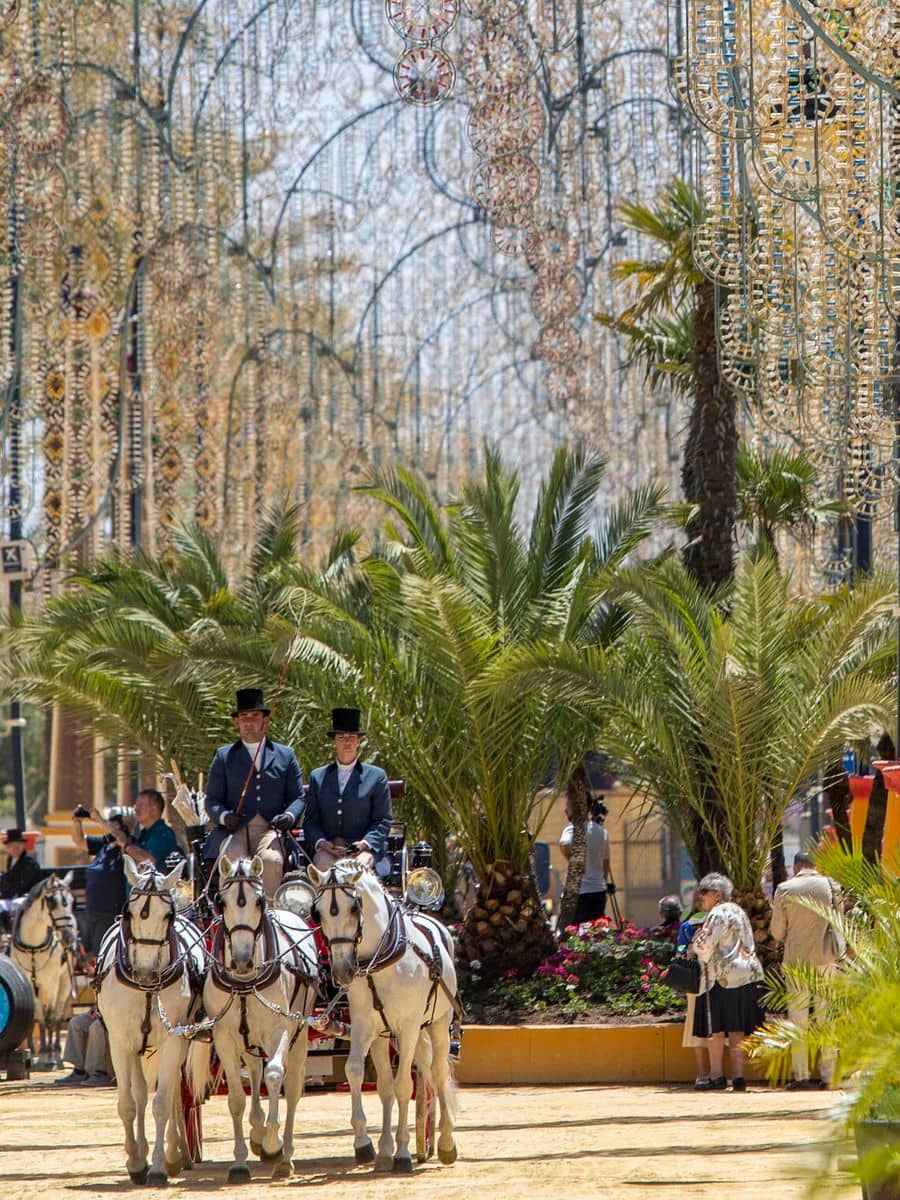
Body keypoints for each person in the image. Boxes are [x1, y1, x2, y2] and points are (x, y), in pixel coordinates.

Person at [206, 687, 305, 897]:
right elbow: (212, 800)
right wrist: (224, 817)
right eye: (244, 717)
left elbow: (298, 798)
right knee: (231, 857)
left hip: (269, 830)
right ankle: (229, 915)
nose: (249, 722)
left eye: (255, 716)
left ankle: (269, 913)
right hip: (236, 829)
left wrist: (289, 816)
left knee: (271, 860)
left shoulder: (285, 756)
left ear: (265, 721)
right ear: (237, 722)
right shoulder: (224, 757)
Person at [770, 851, 843, 1089]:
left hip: (797, 963)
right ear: (815, 866)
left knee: (798, 1019)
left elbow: (777, 932)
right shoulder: (832, 886)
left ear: (796, 867)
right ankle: (829, 1076)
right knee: (826, 1019)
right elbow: (841, 923)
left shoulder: (785, 889)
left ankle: (800, 1076)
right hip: (826, 959)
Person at [690, 872, 764, 1092]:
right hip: (747, 975)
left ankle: (716, 1075)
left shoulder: (717, 913)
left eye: (704, 892)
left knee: (716, 1030)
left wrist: (695, 944)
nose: (700, 897)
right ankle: (739, 1076)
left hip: (721, 978)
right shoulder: (738, 911)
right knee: (737, 1028)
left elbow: (704, 947)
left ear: (717, 893)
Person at [304, 707, 392, 872]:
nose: (347, 742)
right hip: (328, 850)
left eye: (352, 737)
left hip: (362, 850)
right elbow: (310, 822)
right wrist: (322, 843)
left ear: (359, 741)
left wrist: (364, 844)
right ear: (333, 741)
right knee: (323, 866)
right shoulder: (318, 777)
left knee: (357, 869)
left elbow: (383, 820)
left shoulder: (376, 776)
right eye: (341, 737)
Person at [71, 807, 129, 955]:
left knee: (102, 954)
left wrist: (99, 820)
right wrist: (77, 822)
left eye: (115, 822)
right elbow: (79, 841)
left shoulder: (128, 845)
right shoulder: (105, 844)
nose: (110, 825)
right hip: (92, 909)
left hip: (109, 912)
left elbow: (121, 838)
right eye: (110, 822)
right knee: (89, 955)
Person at [558, 792, 611, 923]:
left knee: (575, 934)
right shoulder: (602, 832)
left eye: (568, 806)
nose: (566, 810)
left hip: (580, 894)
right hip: (598, 892)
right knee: (595, 933)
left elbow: (564, 844)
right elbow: (605, 864)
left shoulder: (572, 829)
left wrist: (575, 862)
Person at [675, 904, 711, 1087]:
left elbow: (679, 952)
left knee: (695, 1027)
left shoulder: (688, 925)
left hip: (694, 981)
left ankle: (701, 1074)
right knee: (718, 1027)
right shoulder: (720, 920)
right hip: (718, 979)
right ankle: (717, 1073)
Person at [108, 788, 178, 872]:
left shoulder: (163, 833)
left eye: (140, 805)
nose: (136, 809)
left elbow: (149, 860)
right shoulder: (144, 834)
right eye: (136, 805)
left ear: (154, 810)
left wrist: (125, 845)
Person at [55, 1007, 114, 1086]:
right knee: (75, 1023)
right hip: (101, 1009)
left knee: (96, 1027)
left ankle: (101, 1072)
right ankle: (79, 1072)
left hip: (115, 1012)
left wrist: (103, 1012)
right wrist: (96, 1008)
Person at [0, 828, 43, 931]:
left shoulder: (30, 863)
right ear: (8, 848)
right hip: (11, 898)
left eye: (18, 845)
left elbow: (20, 884)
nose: (15, 848)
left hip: (26, 898)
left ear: (23, 846)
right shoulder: (10, 861)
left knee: (10, 905)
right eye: (12, 846)